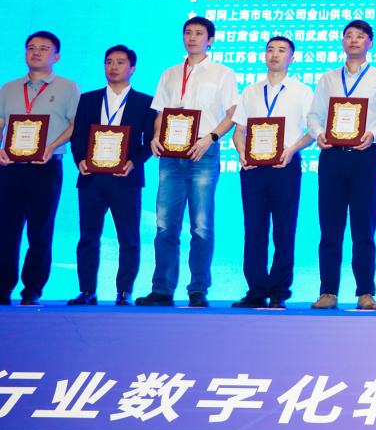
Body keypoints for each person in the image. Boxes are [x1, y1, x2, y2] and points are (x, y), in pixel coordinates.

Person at [138, 18, 237, 308]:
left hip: (203, 153)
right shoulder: (170, 73)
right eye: (188, 33)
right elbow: (161, 112)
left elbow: (232, 113)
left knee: (201, 225)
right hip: (170, 155)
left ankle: (198, 289)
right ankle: (162, 289)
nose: (192, 38)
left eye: (199, 34)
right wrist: (156, 136)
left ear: (210, 40)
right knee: (165, 225)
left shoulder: (222, 73)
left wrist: (210, 138)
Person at [307, 20, 376, 311]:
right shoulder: (328, 78)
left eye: (360, 36)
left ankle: (365, 293)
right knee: (329, 227)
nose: (354, 40)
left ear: (370, 43)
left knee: (363, 227)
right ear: (342, 41)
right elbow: (314, 115)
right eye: (349, 36)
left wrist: (373, 134)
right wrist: (318, 134)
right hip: (332, 156)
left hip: (364, 156)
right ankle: (328, 292)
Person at [229, 36, 314, 309]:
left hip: (285, 166)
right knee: (254, 229)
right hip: (253, 168)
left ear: (292, 58)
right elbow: (239, 130)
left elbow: (313, 131)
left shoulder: (303, 91)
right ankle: (256, 289)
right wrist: (242, 152)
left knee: (284, 230)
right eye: (270, 50)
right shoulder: (251, 91)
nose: (275, 54)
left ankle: (279, 290)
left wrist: (291, 150)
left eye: (281, 50)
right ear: (264, 55)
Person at [68, 45, 155, 306]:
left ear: (132, 68)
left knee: (128, 237)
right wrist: (80, 160)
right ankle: (87, 290)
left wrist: (133, 162)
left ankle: (125, 290)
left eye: (120, 62)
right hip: (91, 177)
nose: (113, 67)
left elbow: (149, 142)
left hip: (126, 178)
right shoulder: (88, 99)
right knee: (88, 236)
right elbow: (78, 135)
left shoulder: (145, 102)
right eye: (109, 62)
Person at [0, 32, 80, 306]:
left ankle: (32, 289)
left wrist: (52, 146)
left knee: (40, 232)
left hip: (46, 168)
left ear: (56, 56)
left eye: (44, 48)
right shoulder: (9, 88)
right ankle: (2, 287)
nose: (36, 52)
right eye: (31, 47)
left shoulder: (68, 88)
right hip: (10, 168)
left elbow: (74, 125)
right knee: (6, 231)